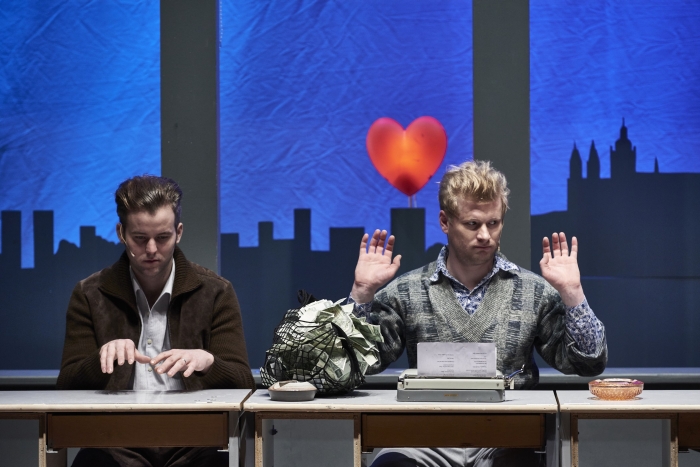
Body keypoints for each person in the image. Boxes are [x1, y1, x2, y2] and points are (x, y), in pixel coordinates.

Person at [350, 160, 607, 467]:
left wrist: (573, 292)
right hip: (425, 438)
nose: (485, 235)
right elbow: (355, 365)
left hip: (508, 440)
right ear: (445, 222)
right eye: (472, 224)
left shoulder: (534, 292)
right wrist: (361, 293)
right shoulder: (405, 292)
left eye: (493, 223)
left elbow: (589, 363)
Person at [57, 175, 255, 467]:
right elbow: (65, 386)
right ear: (121, 233)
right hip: (114, 444)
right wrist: (100, 359)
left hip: (195, 444)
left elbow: (243, 381)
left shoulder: (215, 292)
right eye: (140, 238)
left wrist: (208, 362)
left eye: (162, 238)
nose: (151, 249)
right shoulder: (90, 294)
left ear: (178, 232)